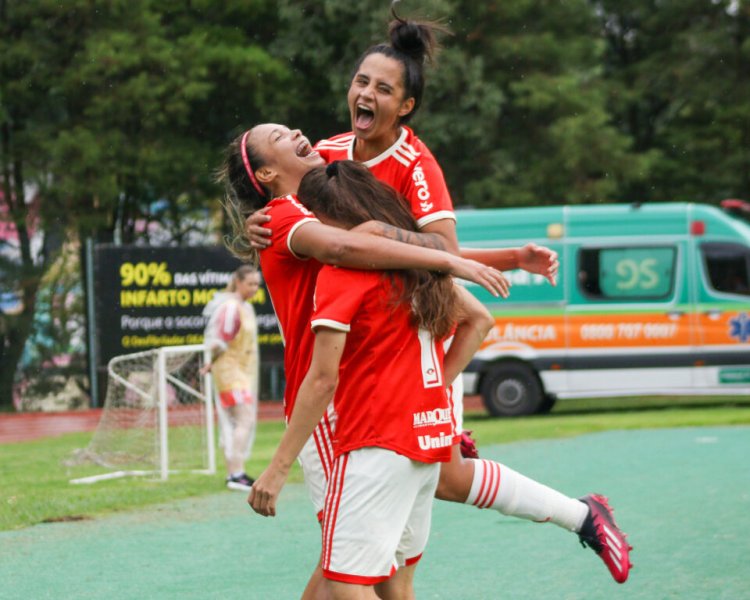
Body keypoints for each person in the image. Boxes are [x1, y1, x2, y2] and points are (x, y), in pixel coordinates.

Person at [244, 8, 632, 585]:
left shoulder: (416, 166)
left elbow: (440, 255)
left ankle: (465, 439)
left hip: (401, 359)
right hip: (381, 365)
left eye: (384, 88)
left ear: (405, 107)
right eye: (361, 81)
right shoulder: (329, 152)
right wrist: (258, 221)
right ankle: (576, 511)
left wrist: (380, 243)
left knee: (353, 567)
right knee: (401, 545)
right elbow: (292, 201)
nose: (366, 93)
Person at [218, 122, 509, 599]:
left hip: (358, 406)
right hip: (331, 409)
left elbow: (381, 241)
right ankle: (577, 515)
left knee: (356, 569)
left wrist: (507, 257)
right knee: (358, 573)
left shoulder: (321, 204)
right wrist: (449, 261)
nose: (295, 129)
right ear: (268, 172)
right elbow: (346, 247)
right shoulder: (285, 215)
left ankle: (576, 514)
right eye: (277, 136)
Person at [201, 265, 261, 491]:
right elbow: (220, 340)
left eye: (257, 284)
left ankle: (236, 471)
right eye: (250, 284)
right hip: (230, 372)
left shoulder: (245, 307)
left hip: (240, 371)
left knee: (241, 420)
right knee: (243, 419)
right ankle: (235, 472)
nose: (254, 289)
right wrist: (212, 361)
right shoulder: (231, 307)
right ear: (238, 282)